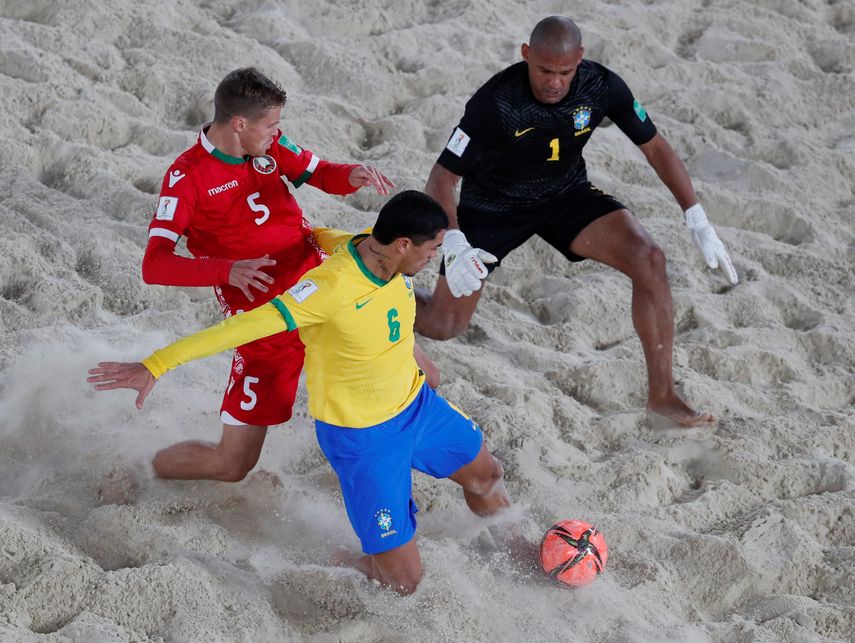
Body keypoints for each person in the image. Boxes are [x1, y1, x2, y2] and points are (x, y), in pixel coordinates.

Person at [89, 191, 510, 595]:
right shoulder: (329, 290)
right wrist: (157, 363)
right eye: (432, 249)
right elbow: (239, 328)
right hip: (365, 438)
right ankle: (350, 560)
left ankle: (514, 551)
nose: (434, 257)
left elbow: (322, 235)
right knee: (403, 583)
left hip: (417, 406)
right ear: (402, 244)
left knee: (488, 475)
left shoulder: (375, 246)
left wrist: (419, 355)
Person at [415, 16, 738, 427]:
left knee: (649, 258)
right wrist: (455, 241)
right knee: (444, 326)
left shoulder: (601, 86)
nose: (554, 82)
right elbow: (441, 177)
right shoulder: (494, 101)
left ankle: (663, 397)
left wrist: (697, 218)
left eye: (564, 72)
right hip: (494, 207)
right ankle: (392, 295)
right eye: (544, 70)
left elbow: (655, 147)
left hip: (565, 195)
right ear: (526, 55)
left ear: (580, 60)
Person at [140, 66, 401, 483]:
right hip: (264, 323)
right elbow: (153, 265)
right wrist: (226, 270)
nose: (277, 133)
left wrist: (352, 175)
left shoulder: (269, 141)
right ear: (239, 125)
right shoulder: (185, 177)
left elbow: (320, 172)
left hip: (321, 287)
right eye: (271, 125)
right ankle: (140, 467)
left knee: (417, 373)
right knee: (234, 465)